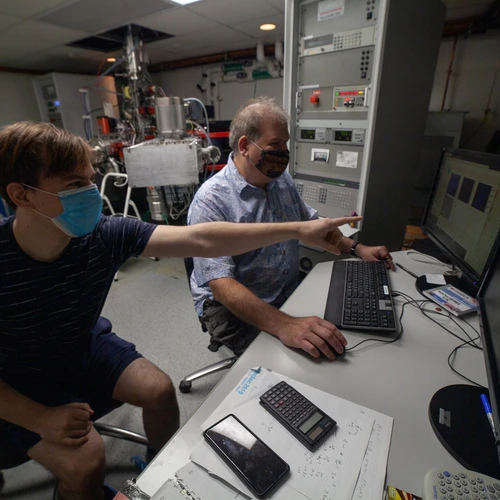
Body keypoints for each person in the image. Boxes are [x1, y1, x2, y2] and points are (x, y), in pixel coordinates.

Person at [0, 121, 358, 500]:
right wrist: (38, 418)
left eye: (90, 181)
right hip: (16, 378)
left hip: (79, 346)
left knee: (158, 390)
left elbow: (202, 238)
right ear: (22, 194)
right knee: (87, 461)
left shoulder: (103, 235)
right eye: (74, 185)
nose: (89, 194)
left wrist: (297, 231)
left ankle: (156, 472)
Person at [188, 97, 395, 360]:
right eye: (276, 144)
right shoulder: (212, 201)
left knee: (337, 337)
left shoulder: (279, 180)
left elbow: (312, 224)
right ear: (244, 146)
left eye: (285, 142)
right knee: (297, 363)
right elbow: (221, 284)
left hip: (283, 291)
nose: (284, 151)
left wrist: (357, 248)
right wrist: (284, 324)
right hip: (229, 306)